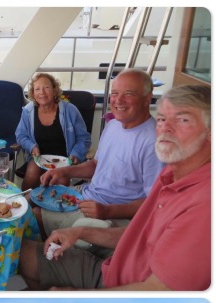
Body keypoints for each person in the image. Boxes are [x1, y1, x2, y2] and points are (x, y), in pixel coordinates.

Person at [18, 84, 211, 291]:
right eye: (163, 119)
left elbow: (160, 294)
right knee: (23, 242)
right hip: (115, 258)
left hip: (121, 284)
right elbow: (139, 235)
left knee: (21, 250)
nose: (165, 128)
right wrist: (80, 232)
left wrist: (79, 298)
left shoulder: (204, 205)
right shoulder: (171, 175)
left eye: (183, 120)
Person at [33, 69, 163, 237]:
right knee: (29, 201)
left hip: (113, 212)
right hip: (88, 194)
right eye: (115, 93)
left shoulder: (154, 142)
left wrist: (108, 211)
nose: (119, 100)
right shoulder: (114, 125)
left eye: (129, 94)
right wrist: (63, 171)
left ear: (147, 98)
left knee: (34, 216)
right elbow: (95, 164)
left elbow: (155, 202)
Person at [15, 72, 91, 191]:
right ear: (33, 94)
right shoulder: (28, 111)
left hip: (64, 159)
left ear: (54, 90)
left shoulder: (70, 110)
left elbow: (84, 138)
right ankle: (29, 206)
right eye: (37, 89)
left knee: (61, 180)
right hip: (40, 159)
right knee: (31, 174)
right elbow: (21, 135)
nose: (42, 93)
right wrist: (32, 147)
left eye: (46, 88)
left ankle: (53, 208)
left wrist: (76, 154)